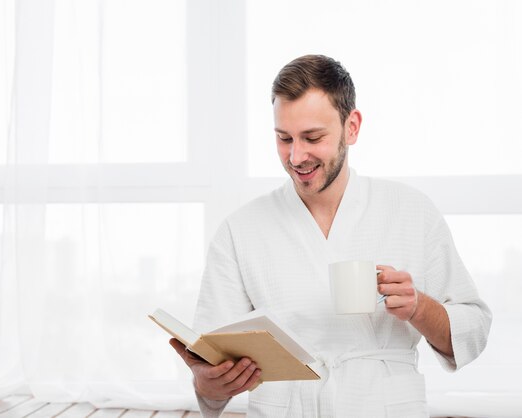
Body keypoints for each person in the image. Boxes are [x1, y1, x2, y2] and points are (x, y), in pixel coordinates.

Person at [169, 54, 492, 417]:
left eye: (312, 137)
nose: (296, 156)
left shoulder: (412, 211)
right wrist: (207, 382)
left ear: (351, 127)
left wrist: (418, 307)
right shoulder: (240, 229)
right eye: (283, 138)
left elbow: (473, 333)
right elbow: (210, 364)